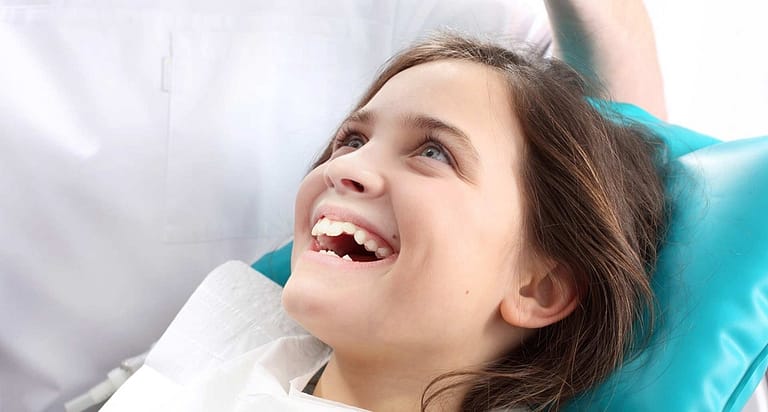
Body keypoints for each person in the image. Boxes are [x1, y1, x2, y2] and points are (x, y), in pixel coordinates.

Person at [102, 25, 668, 412]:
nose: (345, 168)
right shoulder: (233, 332)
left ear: (539, 286)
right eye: (351, 139)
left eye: (433, 152)